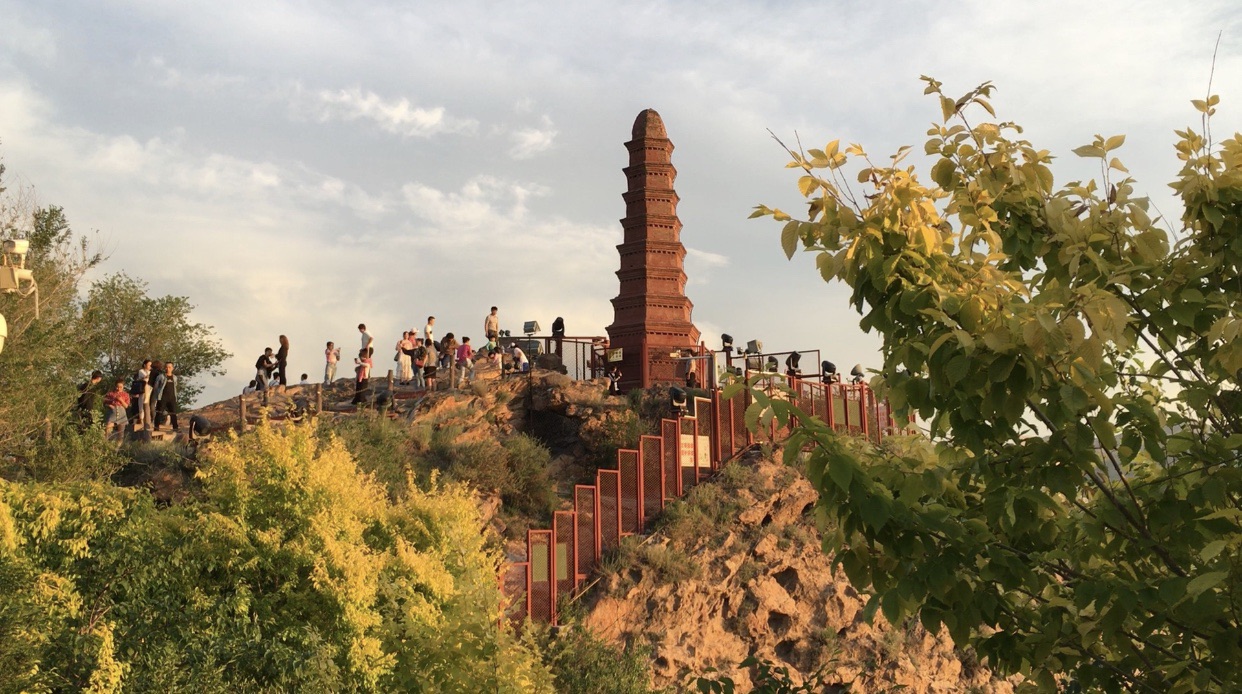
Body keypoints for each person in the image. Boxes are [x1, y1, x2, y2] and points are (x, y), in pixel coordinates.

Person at [155, 362, 179, 431]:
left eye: (169, 367)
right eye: (166, 367)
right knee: (159, 412)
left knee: (173, 413)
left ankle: (175, 428)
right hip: (162, 397)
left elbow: (175, 386)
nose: (168, 369)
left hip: (172, 397)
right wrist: (157, 395)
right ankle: (156, 427)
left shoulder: (174, 377)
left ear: (172, 368)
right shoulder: (161, 376)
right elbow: (156, 387)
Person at [129, 360, 150, 428]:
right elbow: (145, 378)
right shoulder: (141, 371)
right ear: (145, 365)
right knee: (141, 404)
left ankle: (148, 420)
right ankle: (141, 419)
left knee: (148, 405)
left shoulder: (150, 372)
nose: (150, 366)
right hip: (143, 390)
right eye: (149, 365)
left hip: (149, 389)